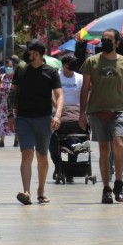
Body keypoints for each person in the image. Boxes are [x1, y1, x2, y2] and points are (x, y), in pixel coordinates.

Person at [79, 28, 123, 204]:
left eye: (109, 39)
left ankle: (118, 182)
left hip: (118, 110)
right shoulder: (92, 62)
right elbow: (85, 88)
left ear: (117, 43)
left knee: (118, 144)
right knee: (104, 149)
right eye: (103, 39)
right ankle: (106, 187)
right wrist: (82, 113)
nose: (105, 42)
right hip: (97, 110)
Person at [7, 39, 64, 205]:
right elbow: (12, 93)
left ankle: (40, 190)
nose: (27, 55)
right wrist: (10, 115)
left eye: (30, 52)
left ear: (38, 54)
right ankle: (26, 191)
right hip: (24, 118)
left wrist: (58, 115)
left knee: (42, 156)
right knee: (27, 153)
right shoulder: (21, 70)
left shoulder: (51, 72)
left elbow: (60, 96)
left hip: (44, 119)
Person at [48, 54, 86, 182]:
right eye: (72, 63)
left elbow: (86, 94)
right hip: (59, 113)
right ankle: (58, 166)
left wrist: (81, 109)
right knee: (53, 143)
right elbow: (52, 94)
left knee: (75, 140)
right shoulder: (56, 76)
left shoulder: (80, 78)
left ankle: (70, 169)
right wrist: (59, 109)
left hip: (75, 114)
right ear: (65, 65)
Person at [0, 58, 17, 147]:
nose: (8, 68)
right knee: (2, 121)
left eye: (10, 66)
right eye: (6, 66)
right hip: (2, 104)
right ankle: (2, 141)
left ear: (13, 67)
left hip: (14, 104)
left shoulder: (16, 77)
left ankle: (16, 140)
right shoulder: (1, 77)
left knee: (15, 121)